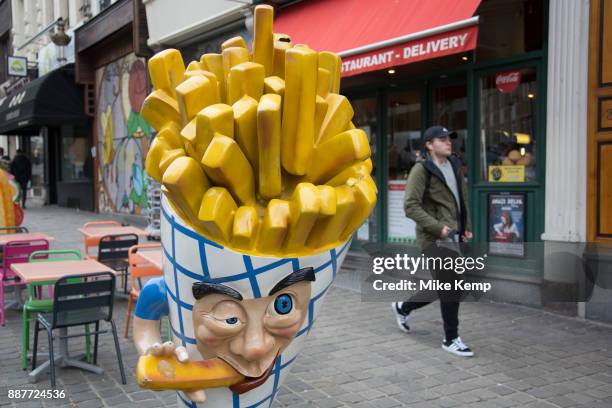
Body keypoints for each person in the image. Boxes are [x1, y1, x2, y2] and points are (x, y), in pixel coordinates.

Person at [391, 125, 474, 357]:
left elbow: (462, 199)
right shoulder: (422, 170)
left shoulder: (455, 164)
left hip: (455, 234)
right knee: (451, 285)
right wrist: (439, 228)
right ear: (429, 144)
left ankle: (403, 306)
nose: (448, 142)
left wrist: (466, 227)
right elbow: (410, 206)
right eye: (442, 139)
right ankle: (451, 338)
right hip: (434, 237)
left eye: (450, 138)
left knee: (444, 285)